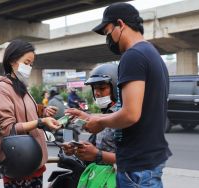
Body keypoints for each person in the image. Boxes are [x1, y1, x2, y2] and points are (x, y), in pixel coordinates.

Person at [66, 3, 172, 188]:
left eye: (108, 32)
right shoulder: (152, 54)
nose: (108, 39)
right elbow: (139, 110)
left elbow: (130, 114)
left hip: (136, 168)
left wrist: (99, 122)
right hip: (148, 161)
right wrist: (91, 117)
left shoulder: (133, 56)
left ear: (120, 24)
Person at [0, 39, 61, 188]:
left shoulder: (21, 87)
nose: (29, 67)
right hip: (18, 162)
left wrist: (43, 113)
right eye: (26, 62)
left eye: (31, 64)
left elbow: (27, 113)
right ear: (12, 61)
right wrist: (40, 122)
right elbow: (8, 129)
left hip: (32, 161)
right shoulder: (2, 89)